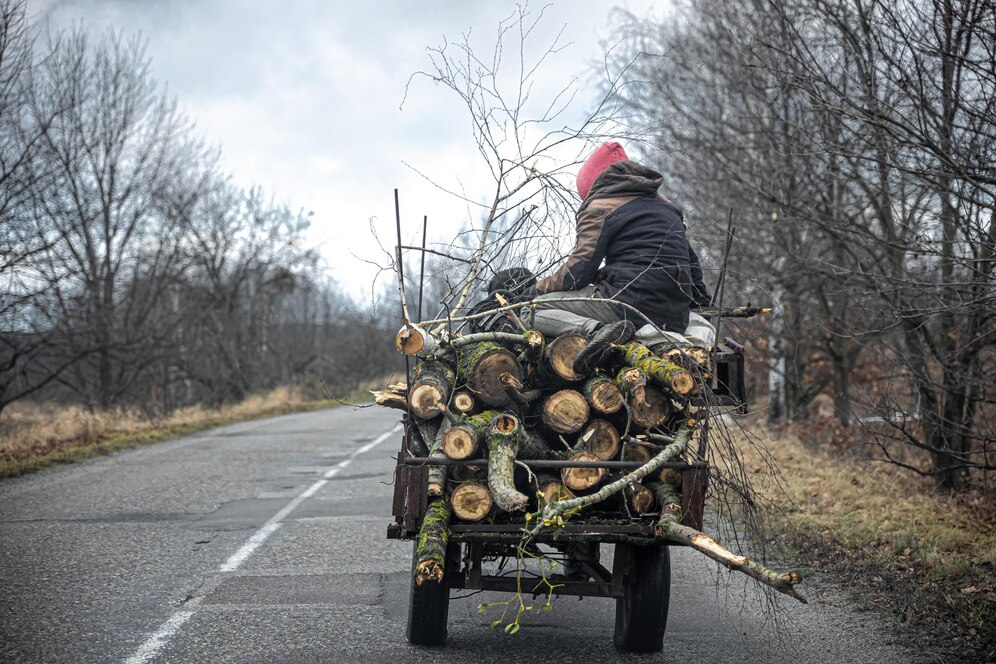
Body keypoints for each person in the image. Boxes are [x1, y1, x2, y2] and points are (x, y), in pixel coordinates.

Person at [528, 141, 713, 372]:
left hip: (628, 306)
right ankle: (613, 329)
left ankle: (596, 331)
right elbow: (693, 269)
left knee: (532, 309)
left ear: (592, 184)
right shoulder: (667, 207)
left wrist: (538, 288)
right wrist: (701, 306)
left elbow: (578, 272)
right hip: (675, 317)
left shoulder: (601, 206)